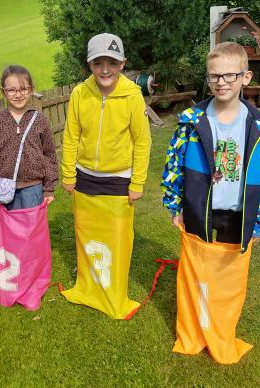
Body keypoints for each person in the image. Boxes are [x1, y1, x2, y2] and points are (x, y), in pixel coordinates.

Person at [161, 41, 260, 363]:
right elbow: (174, 162)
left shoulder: (258, 124)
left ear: (246, 77)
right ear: (208, 78)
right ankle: (196, 329)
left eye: (229, 75)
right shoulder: (192, 119)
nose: (221, 82)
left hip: (238, 214)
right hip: (201, 208)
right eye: (214, 76)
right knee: (199, 271)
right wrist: (175, 205)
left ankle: (221, 329)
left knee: (228, 276)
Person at [60, 33, 151, 319]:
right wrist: (68, 173)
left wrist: (137, 182)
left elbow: (142, 141)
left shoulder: (133, 95)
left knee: (116, 239)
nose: (105, 69)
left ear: (122, 63)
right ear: (89, 65)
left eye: (111, 62)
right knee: (87, 238)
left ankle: (113, 292)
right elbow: (71, 136)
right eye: (98, 62)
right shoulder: (79, 94)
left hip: (119, 180)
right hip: (85, 178)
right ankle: (88, 288)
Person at [0, 65, 58, 310]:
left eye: (23, 88)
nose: (18, 94)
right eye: (11, 89)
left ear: (31, 89)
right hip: (3, 191)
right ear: (3, 91)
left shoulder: (39, 120)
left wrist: (49, 188)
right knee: (7, 241)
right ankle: (11, 280)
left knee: (30, 240)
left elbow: (49, 156)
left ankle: (31, 282)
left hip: (33, 188)